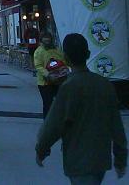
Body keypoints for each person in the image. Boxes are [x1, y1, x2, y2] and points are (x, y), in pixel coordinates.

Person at [36, 34, 127, 184]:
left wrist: (41, 149)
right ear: (88, 54)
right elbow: (116, 126)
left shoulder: (68, 88)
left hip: (77, 159)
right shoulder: (105, 85)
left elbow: (53, 125)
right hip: (100, 159)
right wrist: (121, 158)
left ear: (66, 57)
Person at [33, 31, 67, 118]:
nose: (47, 39)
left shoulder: (56, 50)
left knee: (60, 103)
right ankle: (47, 122)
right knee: (48, 104)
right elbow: (38, 66)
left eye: (48, 37)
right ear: (41, 39)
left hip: (58, 81)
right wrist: (48, 74)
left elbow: (63, 61)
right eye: (45, 37)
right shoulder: (38, 51)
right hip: (45, 83)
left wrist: (64, 70)